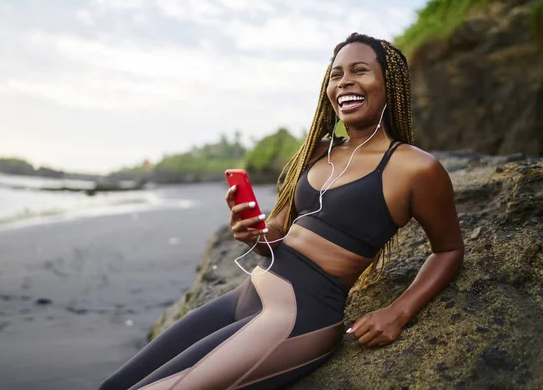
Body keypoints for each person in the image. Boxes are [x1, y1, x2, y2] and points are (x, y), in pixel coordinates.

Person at [98, 33, 464, 390]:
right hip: (248, 294)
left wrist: (397, 312)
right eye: (336, 75)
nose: (344, 82)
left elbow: (448, 250)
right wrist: (254, 232)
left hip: (298, 316)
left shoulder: (414, 168)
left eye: (360, 71)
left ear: (390, 83)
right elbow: (277, 231)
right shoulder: (317, 153)